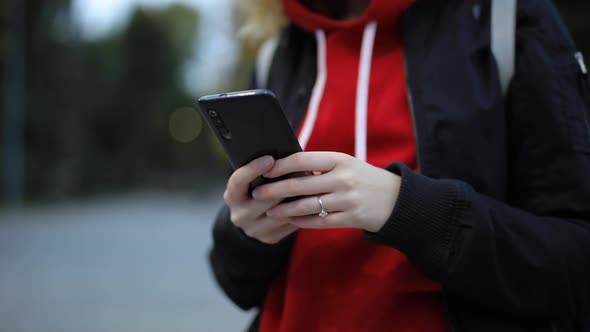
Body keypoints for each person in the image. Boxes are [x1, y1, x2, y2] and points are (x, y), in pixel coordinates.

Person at [209, 0, 590, 331]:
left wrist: (405, 206)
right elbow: (235, 284)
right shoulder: (280, 49)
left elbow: (574, 261)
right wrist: (248, 233)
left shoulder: (507, 19)